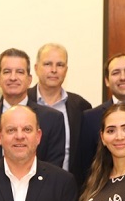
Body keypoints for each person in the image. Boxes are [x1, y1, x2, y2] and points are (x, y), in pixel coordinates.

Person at [0, 48, 66, 167]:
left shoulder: (52, 119)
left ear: (29, 80)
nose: (13, 77)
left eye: (20, 72)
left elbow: (54, 169)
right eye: (7, 72)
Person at [27, 42, 93, 177]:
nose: (54, 70)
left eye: (60, 65)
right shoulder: (22, 102)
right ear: (36, 68)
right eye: (47, 64)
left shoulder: (81, 106)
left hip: (69, 185)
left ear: (66, 70)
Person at [77, 53, 125, 183]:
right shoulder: (90, 117)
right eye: (116, 73)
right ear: (107, 81)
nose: (123, 77)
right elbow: (84, 167)